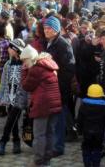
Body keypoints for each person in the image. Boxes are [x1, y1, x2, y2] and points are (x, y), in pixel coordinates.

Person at [20, 45, 62, 167]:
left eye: (24, 61)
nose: (24, 63)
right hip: (54, 104)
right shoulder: (49, 65)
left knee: (39, 135)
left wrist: (24, 71)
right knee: (49, 133)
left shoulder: (36, 69)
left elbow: (26, 86)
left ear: (29, 58)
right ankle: (47, 160)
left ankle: (38, 162)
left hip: (42, 105)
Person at [42, 15, 76, 157]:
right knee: (53, 118)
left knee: (59, 118)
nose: (46, 30)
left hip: (60, 87)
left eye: (49, 28)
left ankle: (58, 147)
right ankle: (52, 145)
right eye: (45, 28)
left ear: (56, 29)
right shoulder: (50, 42)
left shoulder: (63, 44)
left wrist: (56, 79)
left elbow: (70, 67)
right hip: (51, 87)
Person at [0, 39, 28, 156]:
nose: (7, 49)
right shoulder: (7, 65)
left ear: (15, 50)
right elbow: (3, 83)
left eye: (10, 47)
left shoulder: (24, 65)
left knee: (10, 121)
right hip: (9, 97)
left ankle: (3, 142)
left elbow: (25, 84)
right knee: (13, 121)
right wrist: (0, 96)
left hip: (19, 98)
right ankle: (16, 142)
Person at [77, 84, 105, 167]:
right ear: (101, 96)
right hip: (99, 133)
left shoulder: (83, 106)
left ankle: (87, 164)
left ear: (88, 95)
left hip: (86, 132)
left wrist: (79, 130)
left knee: (86, 149)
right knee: (97, 149)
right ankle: (96, 164)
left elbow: (80, 120)